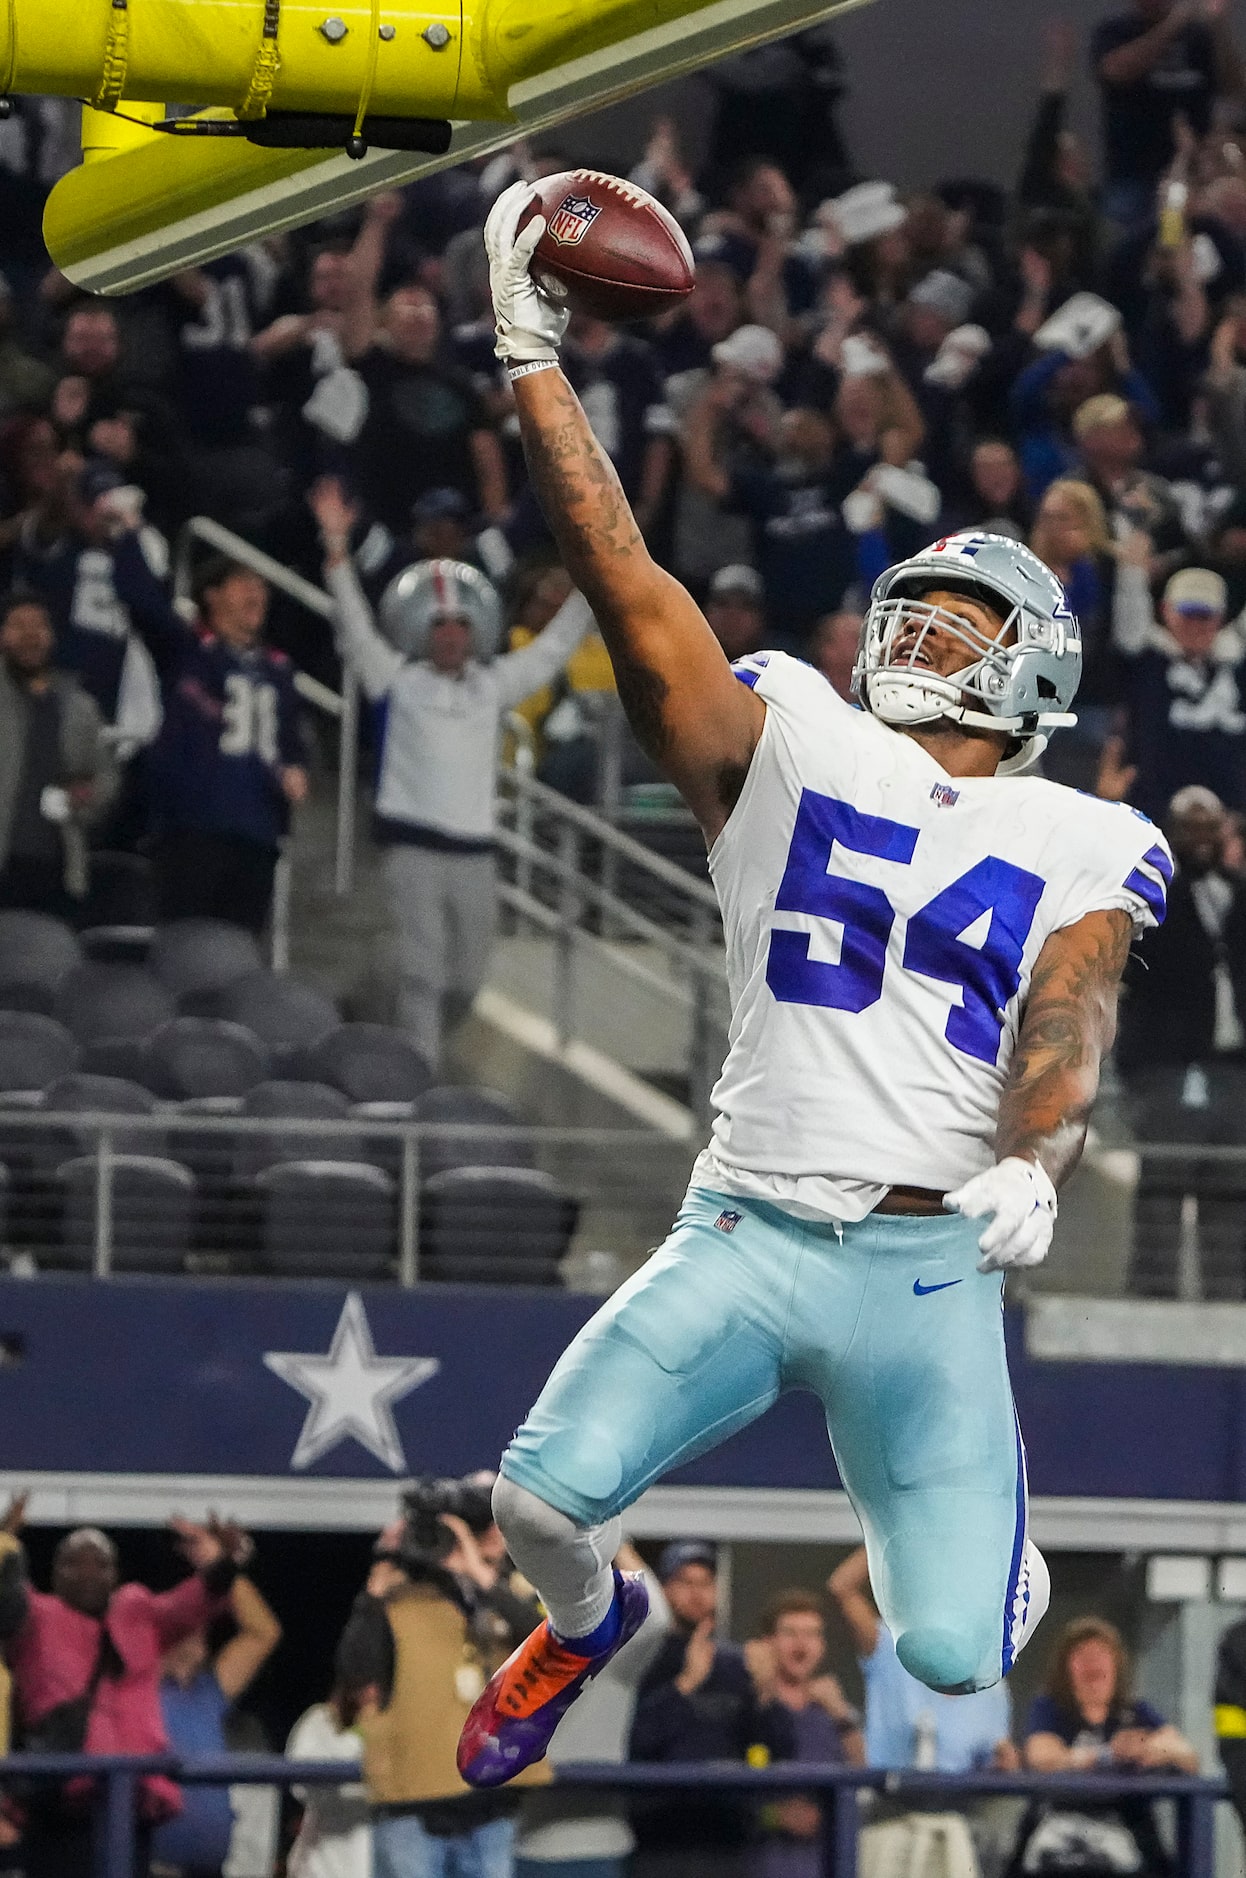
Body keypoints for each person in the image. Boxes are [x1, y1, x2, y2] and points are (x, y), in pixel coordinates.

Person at [457, 184, 1174, 1792]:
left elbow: (1067, 1005)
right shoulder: (789, 725)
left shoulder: (1081, 827)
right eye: (912, 601)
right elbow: (634, 595)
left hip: (925, 1270)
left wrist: (1029, 1154)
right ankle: (586, 1623)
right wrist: (533, 359)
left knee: (951, 1654)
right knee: (536, 1504)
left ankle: (997, 1555)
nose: (921, 626)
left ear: (1035, 662)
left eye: (967, 613)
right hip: (745, 1221)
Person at [312, 477, 593, 1070]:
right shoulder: (396, 680)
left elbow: (553, 649)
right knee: (424, 972)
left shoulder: (492, 687)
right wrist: (336, 548)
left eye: (460, 625)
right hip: (412, 845)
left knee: (466, 976)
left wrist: (591, 576)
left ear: (476, 631)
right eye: (438, 625)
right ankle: (417, 1080)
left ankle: (398, 1042)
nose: (449, 634)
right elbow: (356, 625)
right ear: (421, 630)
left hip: (475, 852)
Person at [0, 1512, 252, 1878]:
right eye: (73, 1563)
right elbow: (6, 1605)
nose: (87, 1573)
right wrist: (5, 1545)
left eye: (99, 1564)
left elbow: (196, 1600)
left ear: (114, 1574)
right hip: (62, 1808)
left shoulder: (138, 1614)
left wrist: (219, 1561)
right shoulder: (36, 1618)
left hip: (132, 1808)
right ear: (54, 1573)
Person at [335, 1478, 545, 1878]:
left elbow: (547, 1647)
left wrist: (479, 1576)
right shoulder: (395, 1604)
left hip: (491, 1803)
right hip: (411, 1806)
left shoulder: (501, 1600)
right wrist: (376, 1584)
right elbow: (354, 1671)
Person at [130, 555, 309, 933]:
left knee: (238, 957)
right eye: (243, 582)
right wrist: (128, 535)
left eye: (262, 586)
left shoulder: (278, 670)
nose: (257, 593)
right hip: (191, 831)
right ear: (212, 595)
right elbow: (143, 602)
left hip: (257, 836)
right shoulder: (187, 651)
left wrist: (296, 769)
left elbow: (291, 743)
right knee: (183, 947)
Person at [1116, 786, 1246, 1299]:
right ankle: (1152, 1295)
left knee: (1232, 1191)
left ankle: (1230, 1299)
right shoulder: (1153, 899)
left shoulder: (1238, 892)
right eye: (1190, 826)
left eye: (1211, 825)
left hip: (1234, 1067)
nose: (1202, 837)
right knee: (1165, 1182)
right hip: (1170, 1065)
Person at [629, 1543, 793, 1878]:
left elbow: (780, 1748)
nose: (697, 1594)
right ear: (665, 1590)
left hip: (728, 1839)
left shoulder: (736, 1664)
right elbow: (635, 1741)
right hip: (659, 1838)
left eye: (706, 1583)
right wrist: (685, 1685)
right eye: (686, 1583)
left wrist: (766, 1693)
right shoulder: (640, 1660)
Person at [514, 1541, 670, 1878]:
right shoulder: (516, 1669)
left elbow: (656, 1617)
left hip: (598, 1843)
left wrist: (610, 1538)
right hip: (527, 1841)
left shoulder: (611, 1664)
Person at [1012, 1617, 1197, 1876]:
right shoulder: (1050, 1709)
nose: (1092, 1662)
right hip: (1059, 1829)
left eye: (1100, 1654)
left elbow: (1187, 1755)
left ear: (1116, 1664)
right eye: (1081, 1655)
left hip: (1126, 1834)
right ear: (1066, 1667)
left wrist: (1148, 1748)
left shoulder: (1134, 1712)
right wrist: (1107, 1754)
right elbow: (1041, 1755)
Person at [150, 1567, 283, 1878]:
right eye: (187, 1619)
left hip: (210, 1868)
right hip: (151, 1865)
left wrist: (222, 1566)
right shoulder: (137, 1690)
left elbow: (263, 1632)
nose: (198, 1626)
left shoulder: (209, 1690)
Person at [0, 590, 116, 916]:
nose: (30, 635)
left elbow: (107, 778)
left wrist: (87, 795)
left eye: (39, 626)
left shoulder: (79, 707)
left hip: (56, 869)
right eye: (18, 625)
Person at [1092, 0, 1244, 233]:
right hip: (1136, 172)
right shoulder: (1115, 32)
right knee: (1159, 237)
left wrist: (1218, 26)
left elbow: (1233, 89)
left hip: (1197, 174)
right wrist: (1173, 25)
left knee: (1194, 235)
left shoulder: (1198, 36)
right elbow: (1114, 72)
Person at [746, 1591, 864, 1878]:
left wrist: (840, 1716)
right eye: (790, 1633)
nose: (802, 1645)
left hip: (823, 1863)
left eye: (812, 1634)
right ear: (768, 1642)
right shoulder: (747, 1705)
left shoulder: (835, 1712)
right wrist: (776, 1815)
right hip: (757, 1862)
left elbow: (863, 1775)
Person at [1116, 565, 1246, 819]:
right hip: (1154, 807)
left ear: (1221, 617)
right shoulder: (1145, 660)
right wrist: (1132, 570)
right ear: (1166, 610)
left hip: (1232, 811)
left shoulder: (1238, 666)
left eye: (1205, 615)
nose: (1195, 625)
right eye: (1188, 613)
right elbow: (1129, 621)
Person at [287, 1691, 373, 1878]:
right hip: (320, 1869)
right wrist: (357, 1741)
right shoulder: (322, 1720)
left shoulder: (406, 1727)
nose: (371, 1692)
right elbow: (300, 1786)